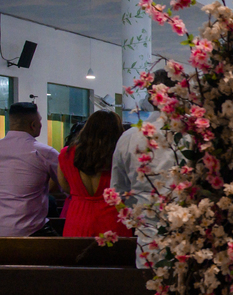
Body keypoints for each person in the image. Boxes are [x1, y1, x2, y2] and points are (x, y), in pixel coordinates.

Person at [112, 71, 179, 263]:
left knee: (150, 289)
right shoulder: (195, 134)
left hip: (148, 239)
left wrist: (141, 216)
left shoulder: (129, 137)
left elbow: (118, 191)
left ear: (151, 96)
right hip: (190, 238)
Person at [0, 101, 61, 237]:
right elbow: (66, 184)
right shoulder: (45, 153)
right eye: (40, 121)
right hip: (27, 231)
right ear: (33, 125)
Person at [58, 110, 129, 238]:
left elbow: (64, 186)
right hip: (112, 219)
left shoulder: (66, 154)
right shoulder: (119, 155)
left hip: (77, 219)